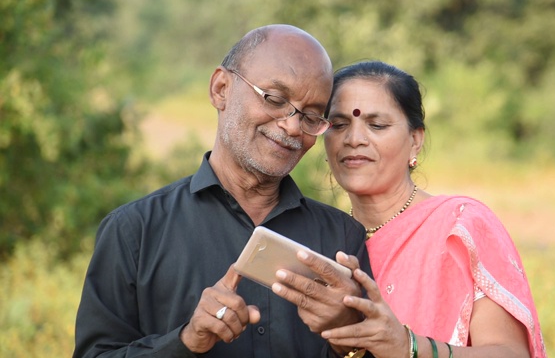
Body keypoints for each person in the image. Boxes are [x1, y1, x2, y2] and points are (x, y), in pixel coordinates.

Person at [73, 24, 371, 358]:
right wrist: (186, 341)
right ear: (221, 88)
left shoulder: (342, 238)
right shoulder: (134, 232)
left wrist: (349, 336)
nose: (291, 126)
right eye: (274, 99)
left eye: (312, 116)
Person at [319, 61, 546, 358]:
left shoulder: (460, 225)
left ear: (415, 141)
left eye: (376, 125)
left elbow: (510, 353)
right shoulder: (322, 240)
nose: (353, 139)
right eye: (339, 124)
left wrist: (409, 347)